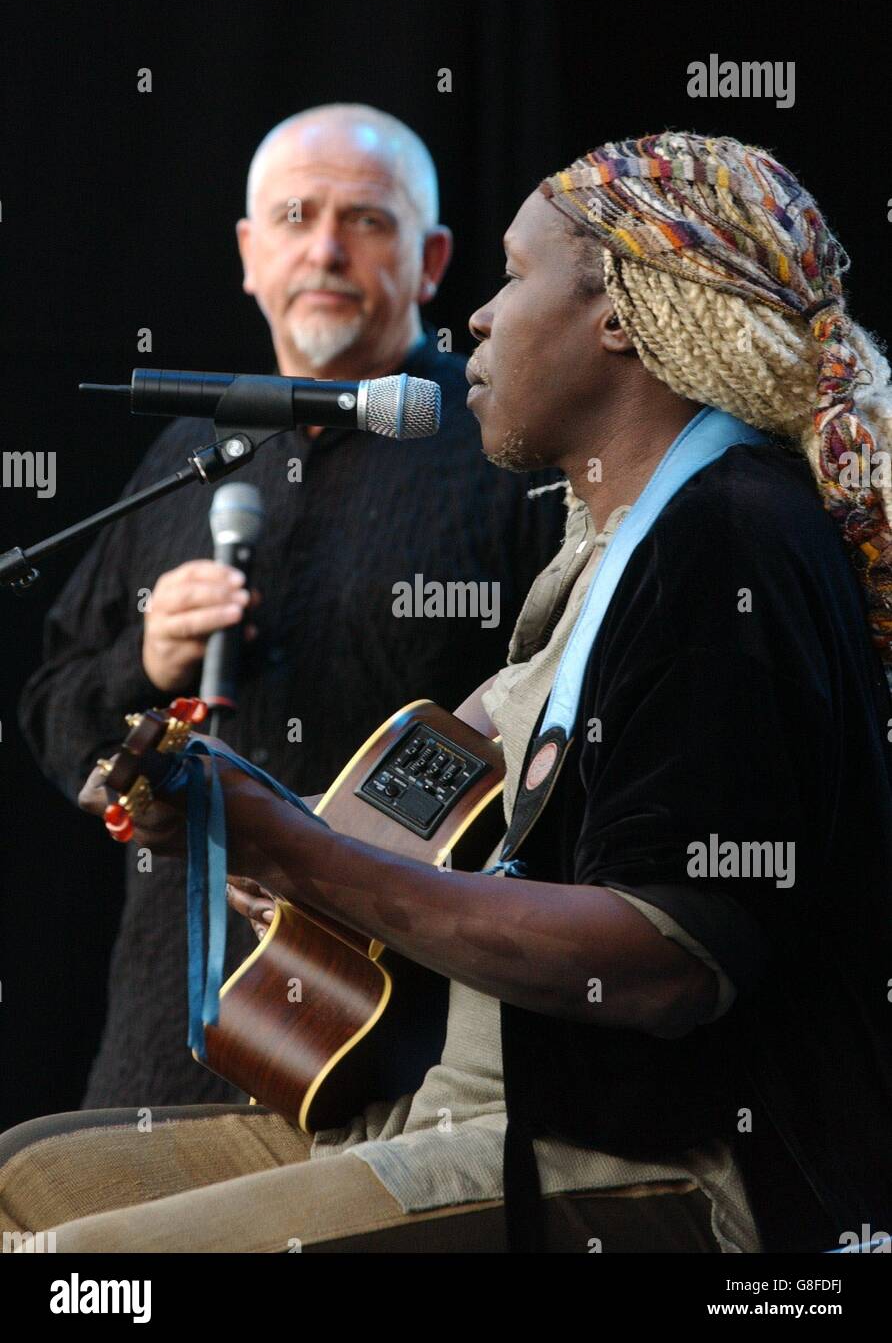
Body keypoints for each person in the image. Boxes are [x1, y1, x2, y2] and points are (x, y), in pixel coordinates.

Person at [5, 130, 892, 1254]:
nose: (476, 318)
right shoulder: (608, 541)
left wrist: (288, 845)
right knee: (21, 1179)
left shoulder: (727, 538)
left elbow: (666, 960)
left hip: (627, 1156)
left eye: (514, 278)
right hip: (423, 1099)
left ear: (621, 314)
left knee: (70, 1271)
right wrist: (291, 835)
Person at [17, 104, 564, 1109]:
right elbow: (58, 717)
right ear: (247, 251)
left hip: (394, 1044)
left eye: (366, 220)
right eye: (295, 216)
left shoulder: (505, 450)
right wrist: (145, 660)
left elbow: (558, 724)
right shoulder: (185, 452)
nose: (324, 247)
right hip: (159, 1033)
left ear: (432, 257)